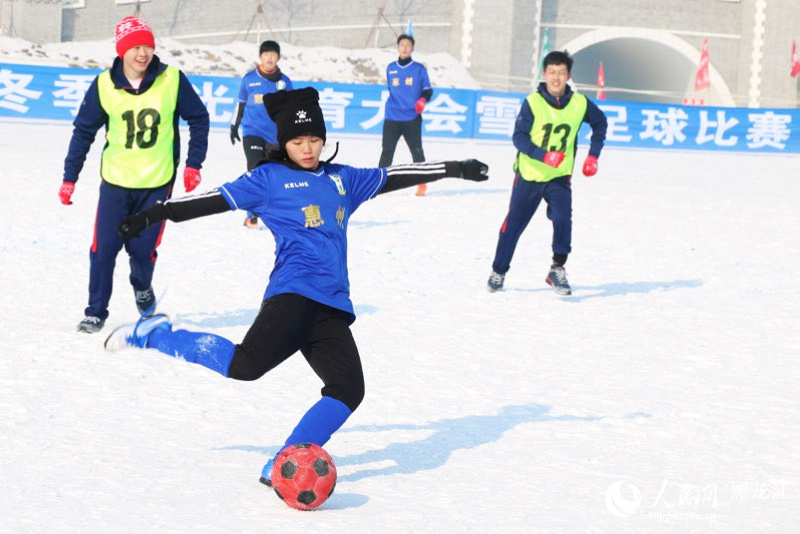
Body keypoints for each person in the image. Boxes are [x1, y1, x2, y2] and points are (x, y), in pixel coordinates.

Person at [104, 87, 488, 486]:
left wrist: (454, 167)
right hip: (293, 293)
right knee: (245, 366)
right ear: (283, 143)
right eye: (297, 141)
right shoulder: (269, 179)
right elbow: (213, 199)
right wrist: (154, 214)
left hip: (332, 305)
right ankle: (158, 335)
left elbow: (395, 176)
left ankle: (284, 460)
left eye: (314, 140)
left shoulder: (343, 180)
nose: (307, 148)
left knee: (347, 388)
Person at [59, 16, 210, 333]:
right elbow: (83, 132)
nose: (142, 53)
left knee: (141, 250)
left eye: (148, 46)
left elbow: (199, 118)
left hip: (157, 183)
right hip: (116, 182)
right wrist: (69, 177)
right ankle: (95, 312)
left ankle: (142, 286)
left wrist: (194, 164)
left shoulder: (172, 79)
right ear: (122, 50)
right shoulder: (103, 84)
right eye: (135, 47)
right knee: (104, 249)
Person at [486, 50, 607, 296]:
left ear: (568, 75)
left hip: (559, 177)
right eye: (551, 72)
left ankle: (557, 268)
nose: (556, 77)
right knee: (513, 226)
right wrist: (543, 155)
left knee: (563, 220)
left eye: (561, 72)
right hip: (529, 175)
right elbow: (518, 138)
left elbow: (600, 122)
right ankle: (498, 271)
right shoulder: (533, 102)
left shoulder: (580, 104)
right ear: (544, 74)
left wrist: (593, 155)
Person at [230, 39, 293, 228]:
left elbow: (290, 109)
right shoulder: (249, 79)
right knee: (256, 169)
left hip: (275, 136)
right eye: (266, 54)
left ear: (278, 58)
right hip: (252, 132)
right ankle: (252, 215)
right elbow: (240, 104)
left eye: (273, 55)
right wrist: (234, 126)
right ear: (260, 57)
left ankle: (273, 212)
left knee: (273, 174)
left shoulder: (285, 82)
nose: (270, 58)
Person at [377, 33, 432, 196]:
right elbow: (391, 90)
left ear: (412, 48)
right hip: (392, 116)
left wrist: (422, 100)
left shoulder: (419, 69)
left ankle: (422, 182)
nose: (405, 48)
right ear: (398, 47)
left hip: (412, 118)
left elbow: (428, 89)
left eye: (408, 45)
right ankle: (378, 183)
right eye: (402, 45)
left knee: (416, 151)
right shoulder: (390, 68)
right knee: (387, 151)